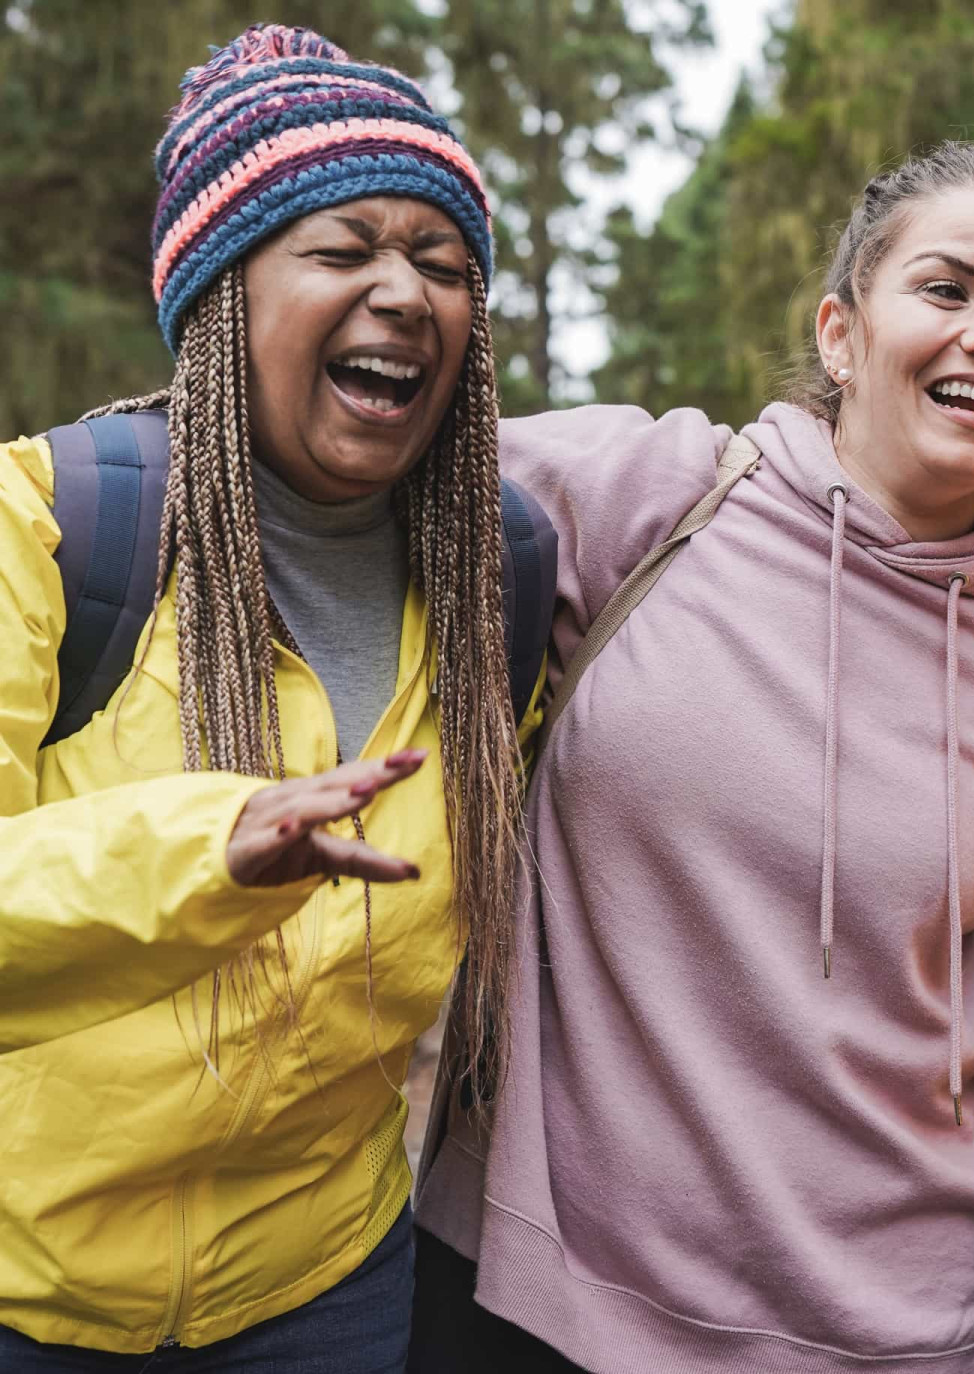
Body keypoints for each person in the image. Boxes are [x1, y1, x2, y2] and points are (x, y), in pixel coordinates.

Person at [408, 142, 974, 1374]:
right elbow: (355, 464)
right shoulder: (653, 497)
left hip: (877, 1327)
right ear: (842, 335)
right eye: (945, 289)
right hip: (532, 1288)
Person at [0, 25, 530, 1370]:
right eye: (344, 250)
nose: (408, 294)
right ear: (226, 296)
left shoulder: (500, 577)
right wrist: (209, 850)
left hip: (329, 1287)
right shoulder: (56, 530)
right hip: (32, 1291)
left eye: (445, 261)